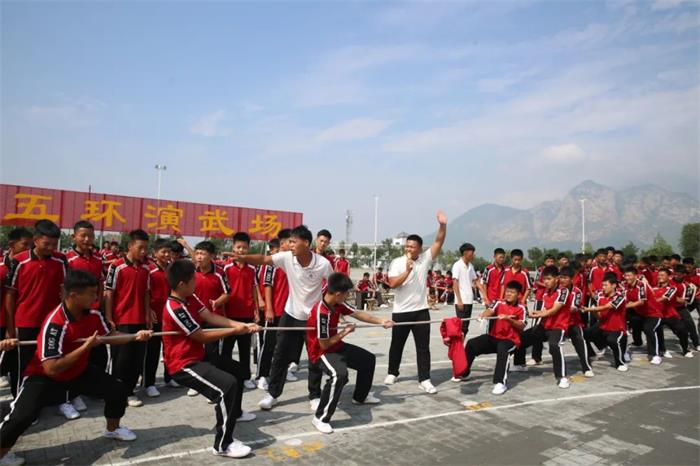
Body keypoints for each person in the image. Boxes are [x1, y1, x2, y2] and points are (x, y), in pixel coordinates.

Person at [0, 269, 153, 466]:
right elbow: (52, 368)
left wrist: (135, 336)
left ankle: (112, 429)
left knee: (117, 390)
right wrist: (85, 347)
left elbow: (109, 336)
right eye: (92, 293)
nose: (96, 297)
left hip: (77, 370)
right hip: (44, 376)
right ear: (74, 295)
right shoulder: (55, 323)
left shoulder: (94, 314)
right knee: (21, 417)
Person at [161, 259, 260, 459]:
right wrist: (235, 331)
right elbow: (201, 336)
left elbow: (211, 317)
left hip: (198, 355)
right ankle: (223, 444)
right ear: (181, 284)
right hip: (183, 364)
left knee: (239, 371)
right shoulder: (175, 308)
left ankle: (235, 413)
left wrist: (243, 325)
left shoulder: (190, 297)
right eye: (193, 280)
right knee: (227, 386)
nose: (196, 282)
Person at [228, 225, 333, 411]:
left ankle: (315, 395)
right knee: (280, 354)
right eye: (289, 242)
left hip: (312, 318)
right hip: (290, 314)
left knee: (314, 357)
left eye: (293, 242)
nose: (289, 245)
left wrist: (328, 310)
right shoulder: (286, 258)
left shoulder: (323, 264)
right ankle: (273, 394)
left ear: (306, 243)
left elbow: (333, 286)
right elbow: (263, 259)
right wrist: (244, 258)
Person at [307, 273, 394, 434]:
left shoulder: (338, 303)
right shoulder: (322, 313)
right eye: (347, 293)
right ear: (338, 294)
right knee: (339, 375)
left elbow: (358, 314)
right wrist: (345, 332)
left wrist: (381, 321)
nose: (348, 296)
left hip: (335, 346)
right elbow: (324, 344)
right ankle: (320, 418)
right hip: (320, 352)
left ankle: (360, 397)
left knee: (368, 360)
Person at [384, 211, 447, 394]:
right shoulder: (397, 262)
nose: (409, 249)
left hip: (421, 311)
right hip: (401, 311)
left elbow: (438, 242)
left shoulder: (425, 259)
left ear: (420, 248)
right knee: (397, 344)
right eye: (407, 246)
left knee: (423, 347)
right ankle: (392, 372)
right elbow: (393, 284)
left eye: (413, 247)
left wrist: (442, 225)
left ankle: (425, 379)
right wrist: (407, 271)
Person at [5, 220, 68, 399]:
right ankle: (20, 401)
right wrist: (10, 328)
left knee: (53, 361)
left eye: (54, 244)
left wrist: (65, 319)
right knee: (24, 365)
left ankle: (54, 400)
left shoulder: (60, 260)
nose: (50, 248)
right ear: (36, 240)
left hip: (51, 322)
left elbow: (64, 291)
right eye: (46, 244)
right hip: (25, 322)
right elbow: (10, 295)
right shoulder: (19, 261)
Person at [104, 229, 153, 407]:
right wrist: (109, 318)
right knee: (120, 360)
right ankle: (117, 391)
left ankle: (130, 391)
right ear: (130, 246)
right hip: (122, 320)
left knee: (136, 359)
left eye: (146, 248)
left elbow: (146, 293)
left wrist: (147, 314)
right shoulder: (117, 266)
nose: (143, 251)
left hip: (140, 320)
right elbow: (109, 293)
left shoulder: (146, 268)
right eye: (140, 248)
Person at [64, 220, 106, 417]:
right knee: (76, 354)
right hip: (75, 314)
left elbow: (101, 285)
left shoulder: (98, 259)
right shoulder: (68, 260)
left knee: (99, 354)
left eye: (90, 236)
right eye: (83, 236)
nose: (88, 240)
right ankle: (72, 395)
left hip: (94, 313)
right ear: (74, 237)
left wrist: (101, 307)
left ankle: (93, 388)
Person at [463, 281, 526, 395]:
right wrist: (483, 315)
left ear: (518, 295)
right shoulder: (498, 302)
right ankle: (464, 373)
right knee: (472, 344)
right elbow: (490, 310)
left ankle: (500, 382)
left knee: (503, 348)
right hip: (494, 337)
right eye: (507, 291)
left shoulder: (522, 308)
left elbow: (521, 326)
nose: (508, 294)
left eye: (512, 292)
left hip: (511, 340)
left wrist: (509, 319)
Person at [513, 266, 570, 389]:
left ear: (556, 279)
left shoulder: (563, 291)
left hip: (558, 327)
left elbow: (553, 310)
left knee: (554, 346)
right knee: (521, 338)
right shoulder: (546, 292)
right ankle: (519, 364)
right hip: (545, 325)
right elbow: (545, 310)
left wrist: (537, 314)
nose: (546, 282)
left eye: (549, 279)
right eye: (545, 279)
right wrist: (531, 314)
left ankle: (562, 377)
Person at [222, 232, 259, 390]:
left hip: (246, 314)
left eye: (244, 247)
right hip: (229, 314)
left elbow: (254, 289)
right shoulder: (226, 268)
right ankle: (226, 376)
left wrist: (256, 310)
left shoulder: (252, 268)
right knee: (227, 349)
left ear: (248, 248)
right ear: (233, 247)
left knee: (245, 349)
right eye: (238, 247)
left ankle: (245, 377)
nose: (241, 250)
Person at [255, 237, 290, 390]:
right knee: (268, 344)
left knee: (282, 345)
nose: (291, 245)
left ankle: (278, 372)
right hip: (274, 311)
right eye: (288, 242)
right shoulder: (272, 263)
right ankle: (262, 375)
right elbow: (267, 285)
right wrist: (269, 308)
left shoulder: (292, 263)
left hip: (287, 311)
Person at [0, 228, 32, 392]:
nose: (28, 249)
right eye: (25, 245)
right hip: (2, 325)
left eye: (31, 245)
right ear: (12, 244)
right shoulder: (2, 269)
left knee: (17, 366)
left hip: (17, 325)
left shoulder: (28, 266)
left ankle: (17, 398)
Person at [142, 238, 172, 397]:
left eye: (169, 252)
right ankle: (149, 383)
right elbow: (145, 293)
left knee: (169, 349)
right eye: (163, 252)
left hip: (169, 316)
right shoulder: (149, 271)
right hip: (155, 317)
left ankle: (170, 377)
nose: (167, 255)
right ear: (155, 253)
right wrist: (148, 310)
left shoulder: (172, 270)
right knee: (152, 352)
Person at [583, 273, 629, 371]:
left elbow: (607, 307)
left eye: (605, 285)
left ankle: (620, 363)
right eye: (602, 285)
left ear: (614, 285)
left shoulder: (620, 296)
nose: (603, 288)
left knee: (612, 340)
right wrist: (594, 311)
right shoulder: (600, 296)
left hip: (618, 329)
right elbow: (600, 316)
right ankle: (594, 352)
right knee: (584, 333)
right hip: (604, 326)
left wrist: (588, 309)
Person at [623, 265, 663, 364]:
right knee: (629, 322)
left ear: (635, 275)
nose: (627, 278)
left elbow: (641, 301)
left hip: (653, 313)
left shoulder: (641, 285)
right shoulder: (625, 286)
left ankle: (655, 355)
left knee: (649, 329)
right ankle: (633, 345)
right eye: (625, 275)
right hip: (640, 314)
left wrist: (626, 306)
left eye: (629, 275)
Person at [559, 267, 594, 377]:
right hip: (558, 323)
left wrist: (558, 309)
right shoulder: (557, 289)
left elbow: (574, 307)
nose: (562, 280)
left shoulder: (577, 291)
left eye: (565, 278)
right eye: (561, 278)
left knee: (579, 341)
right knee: (535, 334)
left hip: (573, 322)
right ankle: (534, 358)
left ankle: (586, 367)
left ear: (571, 279)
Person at [653, 268, 691, 358]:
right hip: (657, 315)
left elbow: (665, 297)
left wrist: (653, 301)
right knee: (657, 331)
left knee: (683, 330)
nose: (659, 277)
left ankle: (685, 350)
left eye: (662, 275)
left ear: (669, 277)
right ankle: (662, 350)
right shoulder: (653, 288)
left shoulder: (672, 288)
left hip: (670, 315)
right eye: (659, 275)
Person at [451, 242, 488, 336]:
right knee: (461, 326)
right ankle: (457, 344)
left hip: (469, 300)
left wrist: (485, 296)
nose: (473, 255)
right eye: (472, 253)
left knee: (465, 326)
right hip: (461, 300)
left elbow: (476, 281)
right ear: (465, 253)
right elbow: (455, 282)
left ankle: (461, 344)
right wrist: (459, 300)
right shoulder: (457, 265)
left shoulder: (471, 266)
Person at [671, 265, 700, 350]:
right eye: (675, 274)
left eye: (679, 275)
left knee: (690, 323)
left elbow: (684, 301)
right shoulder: (668, 281)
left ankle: (696, 343)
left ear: (684, 275)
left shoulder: (687, 286)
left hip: (680, 308)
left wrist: (670, 297)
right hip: (668, 308)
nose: (676, 276)